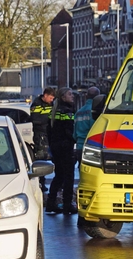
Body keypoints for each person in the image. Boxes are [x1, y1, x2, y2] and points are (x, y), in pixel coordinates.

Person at [46, 87, 77, 215]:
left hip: (55, 146)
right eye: (70, 94)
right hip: (65, 147)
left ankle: (51, 203)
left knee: (59, 176)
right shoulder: (67, 111)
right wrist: (74, 140)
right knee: (69, 176)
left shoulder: (54, 111)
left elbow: (48, 130)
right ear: (63, 97)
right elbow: (70, 131)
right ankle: (67, 204)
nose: (72, 96)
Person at [30, 87, 55, 191]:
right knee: (41, 158)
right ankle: (41, 182)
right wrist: (48, 120)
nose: (51, 100)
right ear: (45, 96)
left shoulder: (51, 104)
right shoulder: (36, 104)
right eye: (50, 98)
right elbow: (35, 119)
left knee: (50, 157)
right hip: (40, 134)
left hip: (49, 133)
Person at [73, 86, 100, 165]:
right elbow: (95, 130)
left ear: (86, 96)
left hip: (79, 147)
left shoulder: (79, 112)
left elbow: (74, 134)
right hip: (91, 147)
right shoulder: (96, 111)